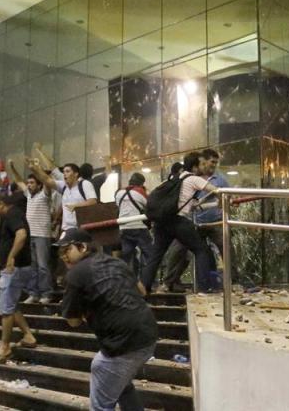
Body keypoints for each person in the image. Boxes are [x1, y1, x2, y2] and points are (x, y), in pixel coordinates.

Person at [59, 228, 157, 411]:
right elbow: (142, 291)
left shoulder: (76, 274)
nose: (63, 256)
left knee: (101, 398)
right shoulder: (116, 262)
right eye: (60, 252)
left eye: (67, 250)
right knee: (121, 385)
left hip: (123, 343)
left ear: (82, 247)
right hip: (148, 334)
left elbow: (73, 321)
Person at [141, 152, 219, 293]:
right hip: (178, 222)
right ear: (195, 167)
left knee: (156, 255)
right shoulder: (194, 178)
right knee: (200, 250)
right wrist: (229, 199)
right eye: (201, 164)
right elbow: (217, 190)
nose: (204, 167)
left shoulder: (173, 179)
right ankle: (204, 288)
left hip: (162, 222)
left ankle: (143, 288)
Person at [0, 193, 37, 364]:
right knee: (12, 304)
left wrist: (10, 257)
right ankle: (28, 336)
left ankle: (4, 347)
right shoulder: (14, 214)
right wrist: (0, 257)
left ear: (1, 204)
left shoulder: (13, 214)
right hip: (15, 265)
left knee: (6, 309)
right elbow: (9, 241)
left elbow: (21, 235)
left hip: (14, 268)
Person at [9, 160, 54, 304]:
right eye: (28, 183)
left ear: (39, 184)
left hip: (42, 235)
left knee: (42, 266)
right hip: (30, 236)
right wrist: (12, 167)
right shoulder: (28, 195)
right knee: (33, 266)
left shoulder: (45, 194)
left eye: (32, 183)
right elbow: (18, 181)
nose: (29, 185)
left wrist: (38, 169)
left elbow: (47, 182)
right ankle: (34, 293)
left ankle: (46, 293)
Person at [29, 160, 98, 231]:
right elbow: (47, 180)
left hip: (81, 228)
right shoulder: (63, 186)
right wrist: (34, 169)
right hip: (66, 229)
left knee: (58, 243)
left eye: (67, 171)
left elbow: (93, 201)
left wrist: (76, 206)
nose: (64, 174)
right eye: (64, 172)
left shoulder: (84, 184)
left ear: (76, 174)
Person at [115, 173, 152, 276]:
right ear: (141, 183)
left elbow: (118, 206)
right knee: (149, 254)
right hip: (138, 227)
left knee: (126, 257)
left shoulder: (119, 193)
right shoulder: (140, 192)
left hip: (123, 227)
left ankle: (125, 282)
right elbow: (149, 206)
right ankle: (148, 282)